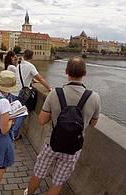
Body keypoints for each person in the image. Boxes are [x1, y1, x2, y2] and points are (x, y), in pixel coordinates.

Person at [24, 57, 101, 195]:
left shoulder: (55, 94)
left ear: (66, 71)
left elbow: (41, 120)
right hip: (73, 147)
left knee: (39, 174)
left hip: (52, 143)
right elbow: (93, 124)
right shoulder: (94, 97)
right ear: (85, 73)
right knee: (58, 182)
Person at [9, 49, 51, 141]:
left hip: (13, 92)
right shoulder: (31, 66)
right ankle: (14, 134)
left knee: (13, 112)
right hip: (21, 94)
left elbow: (21, 77)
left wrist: (32, 80)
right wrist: (49, 88)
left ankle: (8, 129)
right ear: (32, 57)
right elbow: (39, 78)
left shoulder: (19, 65)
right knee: (22, 114)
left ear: (24, 56)